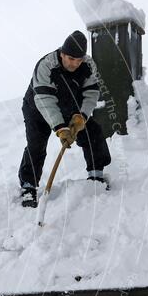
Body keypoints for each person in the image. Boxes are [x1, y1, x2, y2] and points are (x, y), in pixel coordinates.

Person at [18, 31, 111, 208]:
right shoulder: (46, 66)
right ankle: (28, 187)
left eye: (79, 60)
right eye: (70, 58)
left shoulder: (88, 65)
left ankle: (96, 175)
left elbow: (91, 93)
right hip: (37, 107)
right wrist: (61, 128)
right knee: (36, 144)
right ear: (62, 53)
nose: (75, 64)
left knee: (93, 132)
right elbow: (45, 99)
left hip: (69, 107)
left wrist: (81, 117)